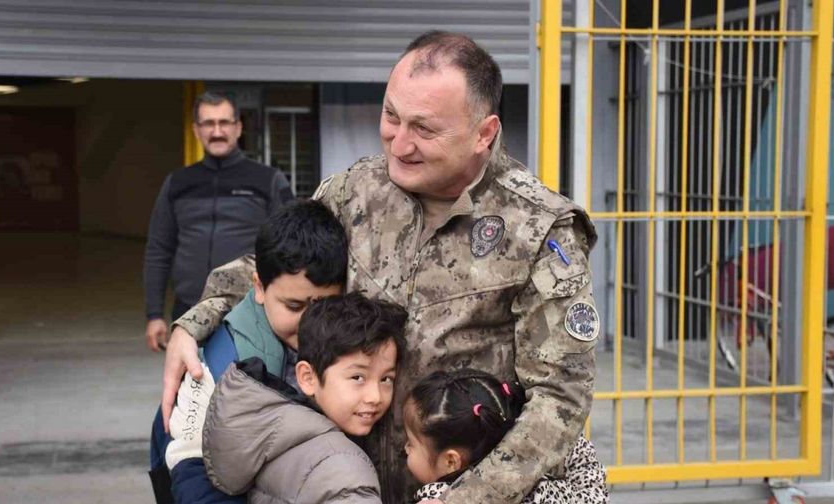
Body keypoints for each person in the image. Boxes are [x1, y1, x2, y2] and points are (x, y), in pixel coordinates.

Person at [163, 31, 599, 504]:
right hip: (344, 484)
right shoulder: (358, 191)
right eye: (391, 116)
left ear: (484, 133)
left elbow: (560, 399)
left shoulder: (538, 228)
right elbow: (274, 263)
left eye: (425, 129)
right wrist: (194, 321)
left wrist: (467, 499)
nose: (400, 143)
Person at [150, 200, 347, 504]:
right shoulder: (223, 363)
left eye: (323, 306)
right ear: (258, 286)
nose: (308, 322)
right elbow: (191, 464)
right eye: (293, 306)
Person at [201, 293, 407, 504]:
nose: (375, 396)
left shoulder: (275, 431)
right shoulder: (345, 474)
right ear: (308, 378)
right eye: (357, 377)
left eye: (386, 379)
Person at [143, 91, 294, 352]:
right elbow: (159, 250)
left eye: (224, 123)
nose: (217, 131)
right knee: (191, 389)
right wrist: (154, 313)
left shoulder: (268, 180)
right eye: (208, 124)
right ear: (196, 130)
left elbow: (291, 246)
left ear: (238, 127)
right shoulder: (177, 183)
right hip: (188, 311)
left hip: (248, 310)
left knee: (247, 390)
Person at [404, 369, 608, 504]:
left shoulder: (438, 498)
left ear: (451, 461)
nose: (404, 448)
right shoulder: (555, 489)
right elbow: (591, 483)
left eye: (411, 443)